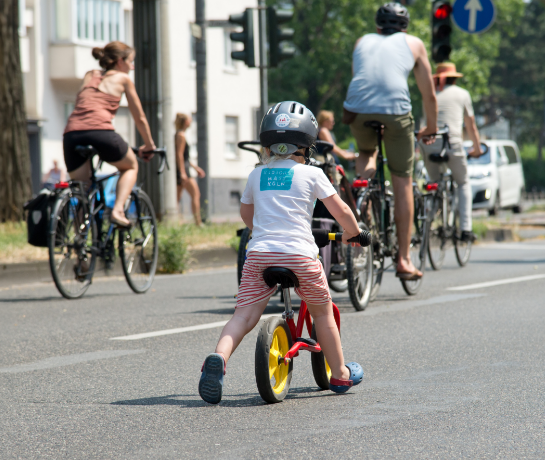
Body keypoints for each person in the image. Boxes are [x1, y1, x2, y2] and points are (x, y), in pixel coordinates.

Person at [198, 101, 364, 404]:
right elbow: (340, 210)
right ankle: (340, 372)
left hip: (259, 254)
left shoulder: (256, 175)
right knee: (323, 314)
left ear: (269, 145)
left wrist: (260, 230)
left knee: (243, 316)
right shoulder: (311, 174)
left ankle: (219, 358)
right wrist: (353, 233)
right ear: (307, 146)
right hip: (300, 255)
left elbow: (247, 216)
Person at [343, 2, 438, 280]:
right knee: (402, 180)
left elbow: (360, 78)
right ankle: (404, 260)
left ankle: (364, 198)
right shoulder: (415, 43)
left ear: (377, 26)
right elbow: (429, 94)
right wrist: (430, 127)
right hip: (396, 112)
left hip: (357, 109)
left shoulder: (362, 41)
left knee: (366, 150)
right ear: (405, 27)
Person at [63, 41, 156, 227]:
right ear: (120, 61)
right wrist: (149, 145)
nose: (132, 66)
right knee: (130, 166)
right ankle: (118, 211)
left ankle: (78, 247)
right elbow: (140, 118)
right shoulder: (123, 79)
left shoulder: (90, 75)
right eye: (130, 61)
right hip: (100, 132)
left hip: (72, 135)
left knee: (83, 191)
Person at [420, 62, 482, 242]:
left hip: (429, 143)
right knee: (463, 183)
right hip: (452, 143)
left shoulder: (429, 94)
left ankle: (427, 224)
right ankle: (466, 229)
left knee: (433, 183)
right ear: (455, 78)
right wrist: (477, 148)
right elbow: (471, 125)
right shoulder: (463, 94)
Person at [174, 113, 206, 225]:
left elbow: (185, 157)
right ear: (185, 122)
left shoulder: (180, 134)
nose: (191, 121)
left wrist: (196, 168)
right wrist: (182, 173)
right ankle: (198, 223)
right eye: (189, 120)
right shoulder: (181, 135)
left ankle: (175, 221)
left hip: (183, 169)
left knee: (176, 198)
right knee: (195, 194)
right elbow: (179, 155)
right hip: (183, 171)